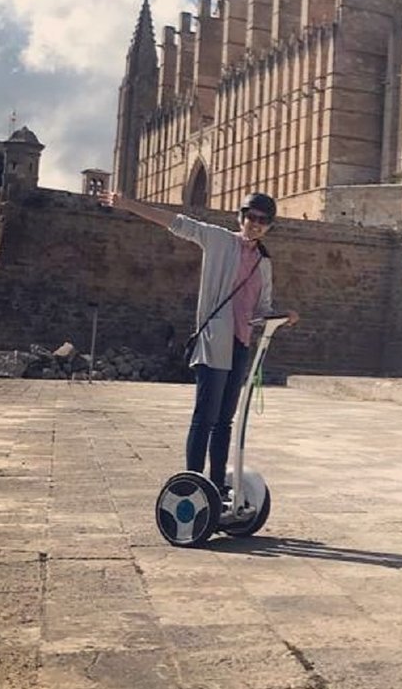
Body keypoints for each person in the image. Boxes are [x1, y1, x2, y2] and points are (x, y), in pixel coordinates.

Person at [101, 190, 297, 494]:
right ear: (240, 217)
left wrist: (282, 317)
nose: (255, 224)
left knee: (225, 421)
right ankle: (192, 486)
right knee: (205, 416)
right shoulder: (218, 239)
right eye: (251, 217)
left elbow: (262, 308)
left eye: (263, 220)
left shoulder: (264, 263)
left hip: (241, 344)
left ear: (270, 225)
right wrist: (128, 204)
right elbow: (177, 222)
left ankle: (216, 486)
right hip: (214, 339)